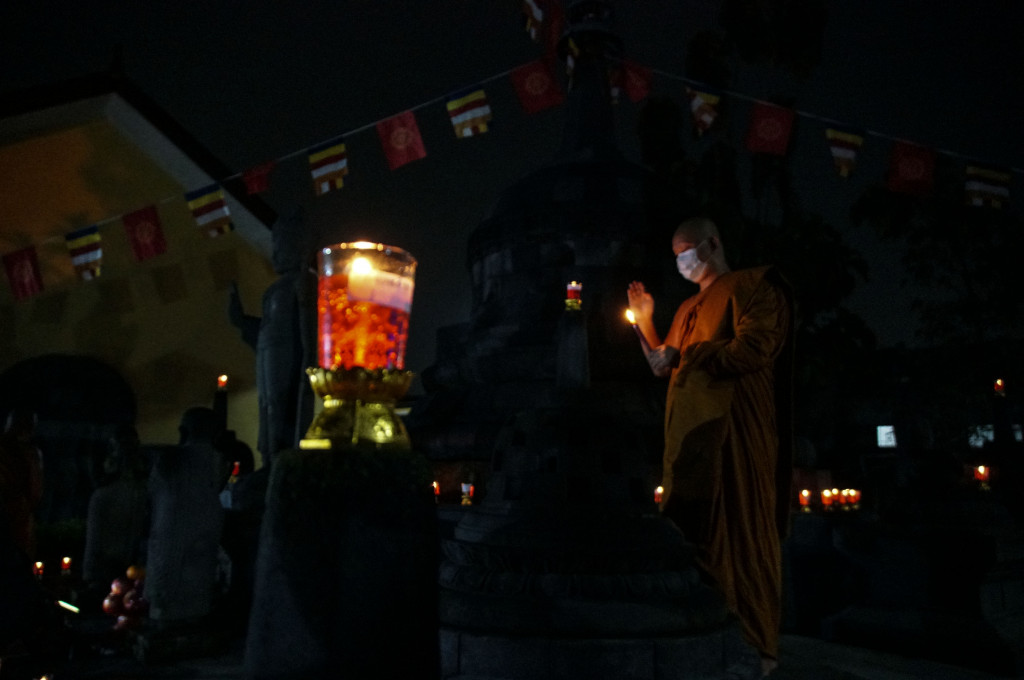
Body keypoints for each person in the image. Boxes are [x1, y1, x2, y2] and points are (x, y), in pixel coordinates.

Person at [627, 216, 793, 676]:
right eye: (676, 255)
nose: (681, 261)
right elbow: (663, 365)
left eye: (686, 250)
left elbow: (753, 350)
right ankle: (703, 636)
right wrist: (644, 321)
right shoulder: (686, 308)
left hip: (732, 431)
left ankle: (758, 649)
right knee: (689, 532)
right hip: (689, 439)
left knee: (740, 533)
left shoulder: (753, 286)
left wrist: (690, 354)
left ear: (712, 243)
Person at [228, 206, 317, 465]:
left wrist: (309, 360)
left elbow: (308, 327)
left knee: (285, 410)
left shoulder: (306, 283)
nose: (275, 252)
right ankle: (270, 460)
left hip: (291, 360)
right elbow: (267, 332)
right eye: (275, 244)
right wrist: (242, 321)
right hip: (270, 360)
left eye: (282, 245)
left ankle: (283, 460)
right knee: (267, 408)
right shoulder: (275, 291)